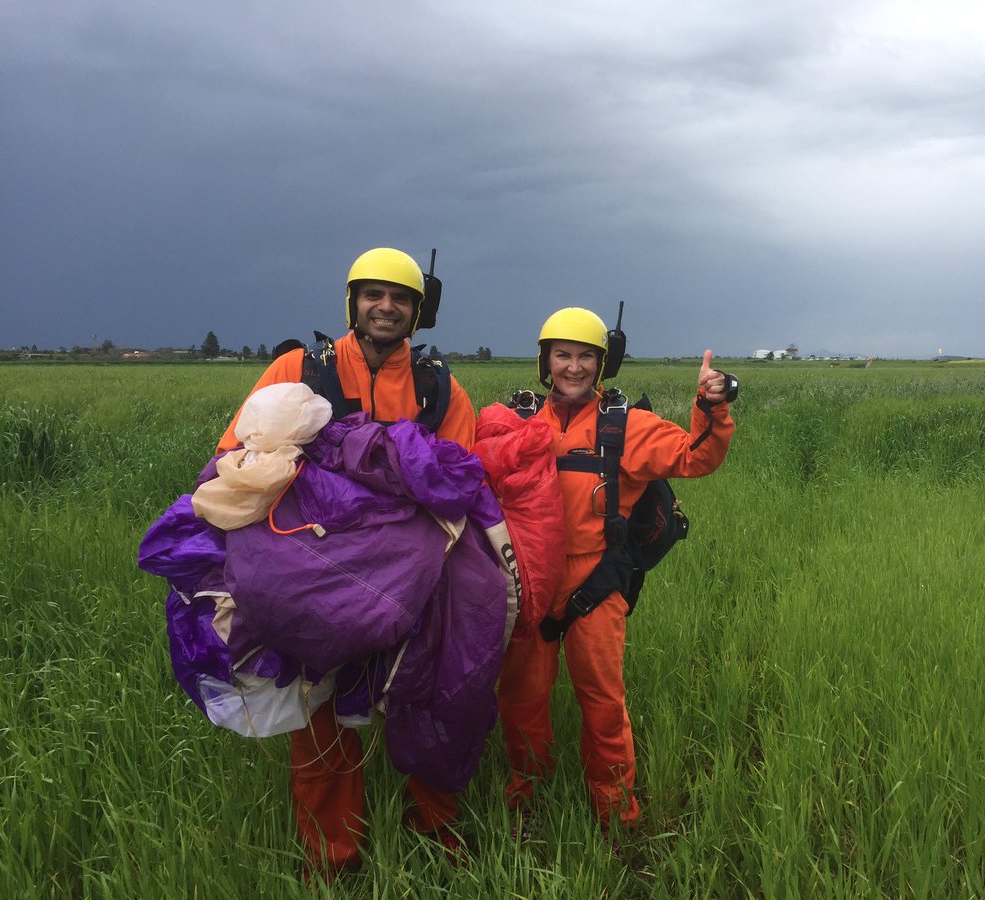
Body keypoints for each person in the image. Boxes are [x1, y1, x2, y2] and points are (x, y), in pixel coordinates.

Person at [216, 247, 477, 875]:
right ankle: (332, 857)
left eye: (400, 298)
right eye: (373, 294)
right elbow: (236, 452)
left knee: (426, 697)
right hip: (314, 568)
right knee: (319, 711)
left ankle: (434, 836)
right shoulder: (298, 369)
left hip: (409, 577)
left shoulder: (440, 387)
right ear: (352, 301)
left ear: (418, 311)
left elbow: (464, 481)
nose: (385, 307)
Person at [496, 307, 736, 837]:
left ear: (602, 364)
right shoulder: (517, 418)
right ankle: (525, 801)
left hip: (594, 582)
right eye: (563, 355)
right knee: (521, 699)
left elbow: (695, 458)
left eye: (586, 356)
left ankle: (615, 813)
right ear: (545, 360)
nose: (574, 367)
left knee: (602, 702)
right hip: (530, 580)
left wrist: (711, 405)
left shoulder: (623, 425)